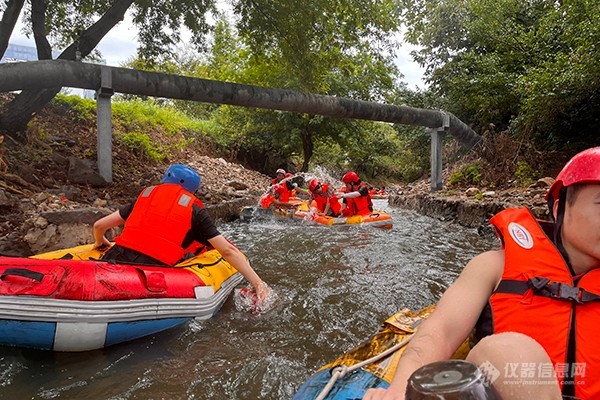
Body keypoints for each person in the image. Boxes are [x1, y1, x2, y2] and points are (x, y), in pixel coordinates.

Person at [364, 147, 600, 400]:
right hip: (508, 385)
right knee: (511, 353)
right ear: (558, 208)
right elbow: (440, 332)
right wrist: (401, 389)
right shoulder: (493, 266)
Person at [93, 164, 271, 303]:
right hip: (151, 272)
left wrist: (99, 241)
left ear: (164, 180)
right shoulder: (195, 210)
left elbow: (99, 225)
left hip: (114, 257)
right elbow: (227, 251)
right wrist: (257, 283)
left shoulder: (145, 196)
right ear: (194, 190)